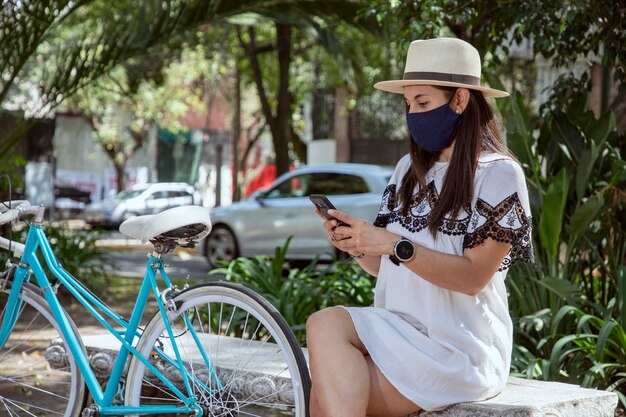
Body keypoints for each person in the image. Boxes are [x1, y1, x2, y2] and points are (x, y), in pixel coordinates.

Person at [306, 37, 535, 417]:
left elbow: (473, 277)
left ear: (460, 100)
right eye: (409, 104)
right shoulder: (406, 171)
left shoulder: (499, 174)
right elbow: (389, 267)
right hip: (398, 332)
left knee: (322, 394)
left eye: (424, 102)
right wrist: (359, 244)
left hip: (459, 349)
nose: (413, 114)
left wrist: (394, 244)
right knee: (325, 325)